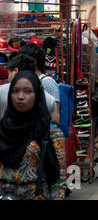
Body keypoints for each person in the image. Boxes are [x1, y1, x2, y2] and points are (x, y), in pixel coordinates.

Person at [0, 70, 66, 199]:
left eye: (28, 91)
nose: (20, 96)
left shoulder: (51, 132)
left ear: (37, 95)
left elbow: (59, 181)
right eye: (15, 91)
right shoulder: (3, 129)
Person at [0, 53, 57, 123]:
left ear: (15, 71)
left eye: (9, 74)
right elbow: (54, 125)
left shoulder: (1, 91)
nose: (20, 97)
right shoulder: (49, 100)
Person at [19, 44, 60, 124]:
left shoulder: (47, 82)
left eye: (23, 59)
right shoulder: (28, 81)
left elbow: (55, 116)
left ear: (34, 61)